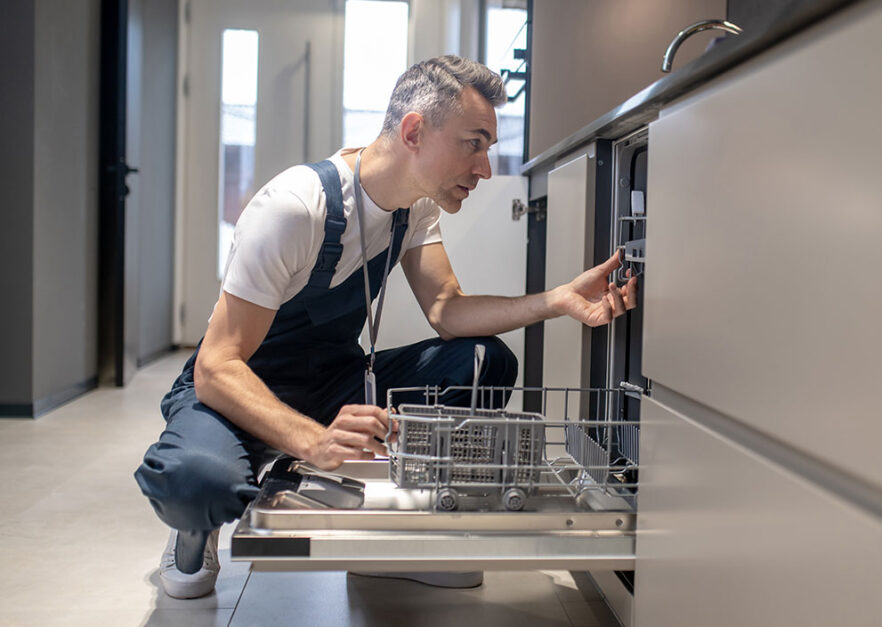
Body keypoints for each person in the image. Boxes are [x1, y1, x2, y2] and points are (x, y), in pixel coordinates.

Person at [134, 55, 638, 599]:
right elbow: (216, 366)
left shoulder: (414, 208)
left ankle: (395, 542)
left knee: (484, 359)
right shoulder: (295, 207)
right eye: (475, 142)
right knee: (197, 482)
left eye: (488, 147)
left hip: (332, 382)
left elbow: (447, 309)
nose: (486, 168)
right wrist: (312, 439)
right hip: (238, 388)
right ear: (414, 130)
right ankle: (193, 531)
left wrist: (556, 300)